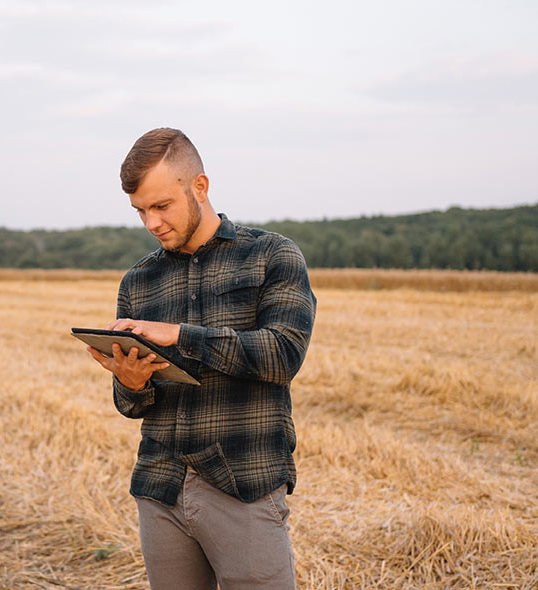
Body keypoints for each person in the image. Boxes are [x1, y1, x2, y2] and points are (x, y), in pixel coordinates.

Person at [87, 128, 316, 590]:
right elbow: (132, 407)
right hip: (160, 487)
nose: (151, 223)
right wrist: (130, 382)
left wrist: (179, 336)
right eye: (140, 211)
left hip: (243, 487)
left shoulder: (272, 255)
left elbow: (283, 355)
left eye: (161, 206)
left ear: (200, 187)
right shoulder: (138, 281)